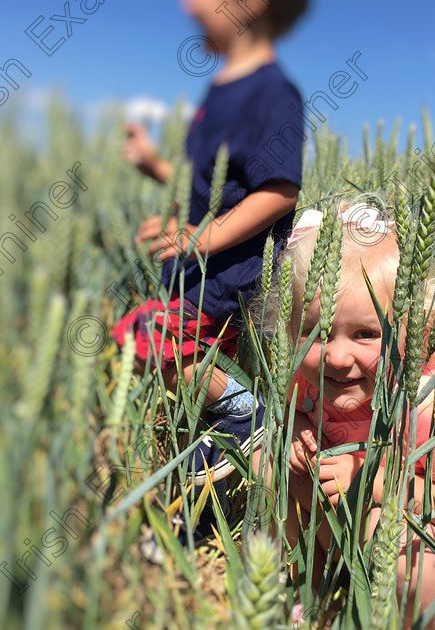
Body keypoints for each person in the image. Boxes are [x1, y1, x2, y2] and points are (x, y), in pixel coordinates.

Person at [114, 0, 309, 541]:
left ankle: (249, 415)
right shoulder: (221, 87)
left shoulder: (272, 93)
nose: (184, 7)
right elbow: (207, 181)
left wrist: (201, 237)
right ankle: (204, 505)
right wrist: (157, 169)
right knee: (161, 354)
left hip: (224, 277)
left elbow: (278, 190)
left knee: (147, 338)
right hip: (190, 271)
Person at [251, 200, 435, 629]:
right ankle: (307, 587)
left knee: (388, 530)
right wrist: (298, 433)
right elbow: (294, 414)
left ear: (413, 332)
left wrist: (373, 481)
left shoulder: (428, 411)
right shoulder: (307, 380)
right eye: (315, 331)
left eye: (366, 333)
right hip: (348, 536)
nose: (337, 357)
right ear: (289, 331)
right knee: (267, 462)